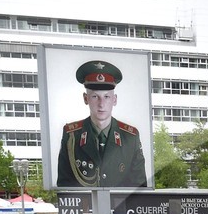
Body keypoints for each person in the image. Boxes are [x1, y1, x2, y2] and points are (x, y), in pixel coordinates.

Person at [55, 60, 148, 188]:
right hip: (86, 207)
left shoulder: (130, 137)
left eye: (107, 97)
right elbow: (64, 186)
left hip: (121, 208)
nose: (101, 104)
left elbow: (139, 188)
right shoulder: (71, 136)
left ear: (114, 100)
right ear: (85, 99)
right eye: (94, 96)